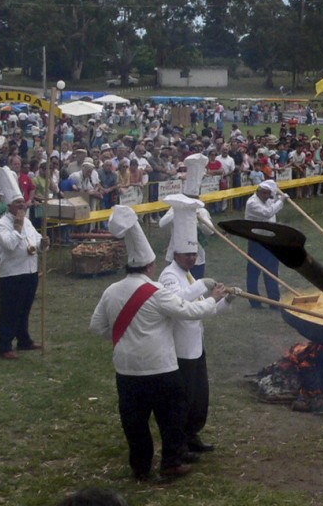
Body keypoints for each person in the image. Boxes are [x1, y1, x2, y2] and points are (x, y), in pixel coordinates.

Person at [91, 206, 226, 480]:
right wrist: (213, 299)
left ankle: (140, 468)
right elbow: (190, 312)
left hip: (126, 368)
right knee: (172, 417)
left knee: (135, 422)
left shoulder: (110, 291)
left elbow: (97, 326)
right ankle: (171, 462)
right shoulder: (157, 292)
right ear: (150, 266)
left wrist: (124, 338)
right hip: (160, 367)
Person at [159, 195, 231, 456]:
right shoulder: (168, 276)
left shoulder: (188, 275)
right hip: (180, 348)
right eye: (187, 255)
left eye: (194, 254)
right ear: (175, 253)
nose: (191, 258)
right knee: (182, 400)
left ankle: (192, 435)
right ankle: (179, 441)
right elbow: (178, 305)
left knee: (199, 397)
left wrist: (224, 301)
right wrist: (202, 287)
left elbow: (202, 309)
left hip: (195, 346)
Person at [0, 166, 48, 358]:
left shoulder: (28, 221)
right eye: (18, 204)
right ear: (10, 206)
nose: (22, 206)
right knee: (9, 310)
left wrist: (43, 243)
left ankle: (23, 339)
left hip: (30, 270)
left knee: (25, 308)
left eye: (23, 203)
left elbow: (35, 238)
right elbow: (9, 245)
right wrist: (17, 226)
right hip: (13, 273)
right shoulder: (0, 225)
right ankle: (5, 345)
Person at [159, 153, 212, 280]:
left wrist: (200, 220)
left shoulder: (202, 211)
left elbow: (210, 231)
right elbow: (162, 223)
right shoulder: (176, 208)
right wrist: (179, 213)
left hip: (197, 257)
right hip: (176, 255)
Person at [243, 179, 287, 307]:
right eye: (268, 194)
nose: (269, 197)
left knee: (272, 271)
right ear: (261, 192)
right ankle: (254, 302)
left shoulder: (267, 199)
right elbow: (268, 213)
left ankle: (274, 301)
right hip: (257, 241)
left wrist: (279, 198)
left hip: (270, 240)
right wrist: (281, 200)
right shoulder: (252, 203)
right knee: (254, 272)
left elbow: (273, 205)